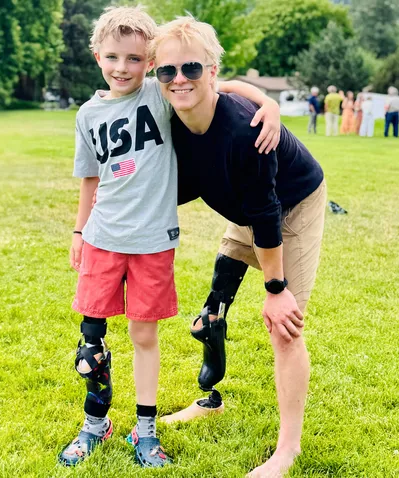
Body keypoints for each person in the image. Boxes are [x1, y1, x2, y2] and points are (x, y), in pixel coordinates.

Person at [60, 6, 282, 468]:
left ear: (149, 63)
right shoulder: (87, 114)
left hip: (153, 243)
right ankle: (94, 424)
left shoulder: (160, 95)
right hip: (102, 237)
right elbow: (89, 179)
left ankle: (145, 432)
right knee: (91, 339)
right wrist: (79, 229)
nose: (123, 68)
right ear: (97, 56)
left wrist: (269, 103)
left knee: (144, 334)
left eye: (135, 59)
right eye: (113, 57)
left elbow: (220, 86)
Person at [151, 16, 328, 478]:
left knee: (284, 327)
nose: (178, 79)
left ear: (209, 70)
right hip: (247, 205)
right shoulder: (170, 115)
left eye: (191, 68)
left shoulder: (245, 132)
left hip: (293, 202)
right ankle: (209, 401)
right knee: (211, 316)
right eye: (166, 71)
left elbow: (267, 214)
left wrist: (276, 289)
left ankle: (287, 450)